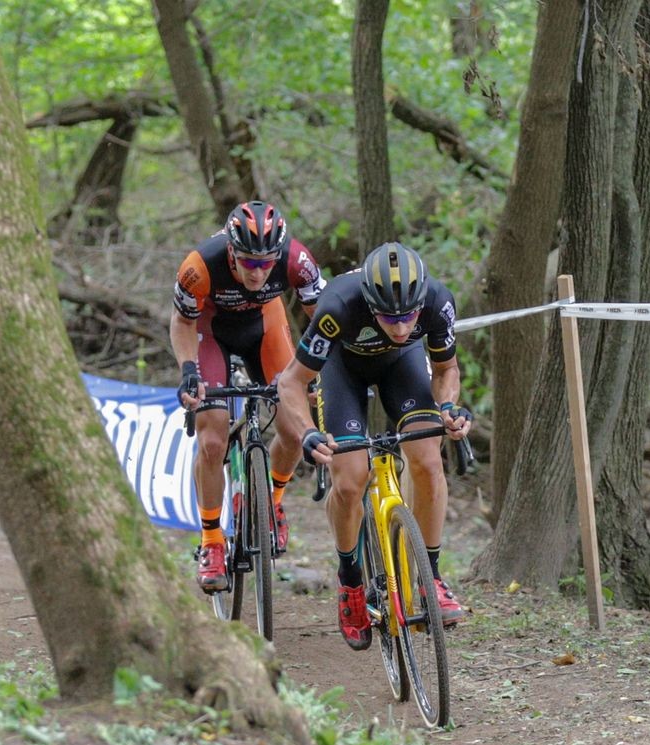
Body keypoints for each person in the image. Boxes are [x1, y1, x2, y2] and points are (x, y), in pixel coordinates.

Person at [276, 241, 471, 650]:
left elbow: (446, 368)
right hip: (342, 370)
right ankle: (350, 582)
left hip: (402, 367)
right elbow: (290, 382)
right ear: (369, 302)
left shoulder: (437, 303)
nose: (400, 328)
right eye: (388, 317)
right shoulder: (338, 307)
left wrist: (449, 406)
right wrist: (308, 431)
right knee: (349, 480)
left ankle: (430, 578)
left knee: (428, 462)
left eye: (408, 317)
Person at [170, 201, 326, 593]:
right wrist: (189, 371)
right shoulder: (199, 266)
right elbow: (183, 322)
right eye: (247, 262)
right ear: (230, 252)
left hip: (264, 327)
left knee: (294, 425)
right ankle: (210, 541)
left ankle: (270, 500)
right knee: (211, 439)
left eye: (265, 263)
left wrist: (326, 370)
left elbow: (325, 318)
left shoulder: (297, 259)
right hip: (211, 332)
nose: (258, 272)